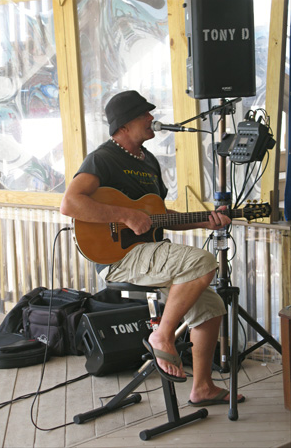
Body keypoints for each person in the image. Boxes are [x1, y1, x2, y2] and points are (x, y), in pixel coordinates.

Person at [60, 90, 244, 406]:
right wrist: (124, 214)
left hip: (152, 251)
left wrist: (203, 222)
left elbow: (158, 215)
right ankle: (162, 335)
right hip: (120, 256)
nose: (150, 118)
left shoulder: (149, 162)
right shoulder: (102, 158)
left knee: (211, 306)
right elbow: (70, 203)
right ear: (123, 125)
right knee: (202, 261)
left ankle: (202, 387)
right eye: (143, 114)